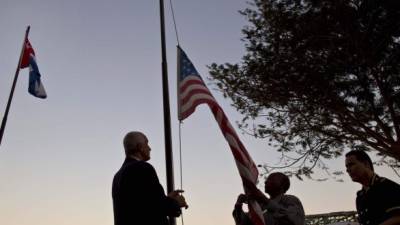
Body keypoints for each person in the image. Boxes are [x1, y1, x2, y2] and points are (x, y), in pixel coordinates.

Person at [112, 131, 188, 225]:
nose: (150, 148)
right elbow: (157, 206)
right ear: (140, 147)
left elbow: (143, 204)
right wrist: (176, 203)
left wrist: (166, 198)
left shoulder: (117, 176)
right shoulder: (143, 168)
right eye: (147, 143)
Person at [345, 150, 400, 225]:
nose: (347, 170)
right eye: (347, 166)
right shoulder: (360, 197)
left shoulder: (387, 186)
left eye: (351, 164)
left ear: (366, 164)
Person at [233, 172, 305, 225]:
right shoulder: (260, 206)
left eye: (272, 179)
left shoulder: (290, 200)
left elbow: (295, 220)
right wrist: (238, 206)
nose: (266, 182)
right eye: (267, 179)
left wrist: (265, 201)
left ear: (282, 184)